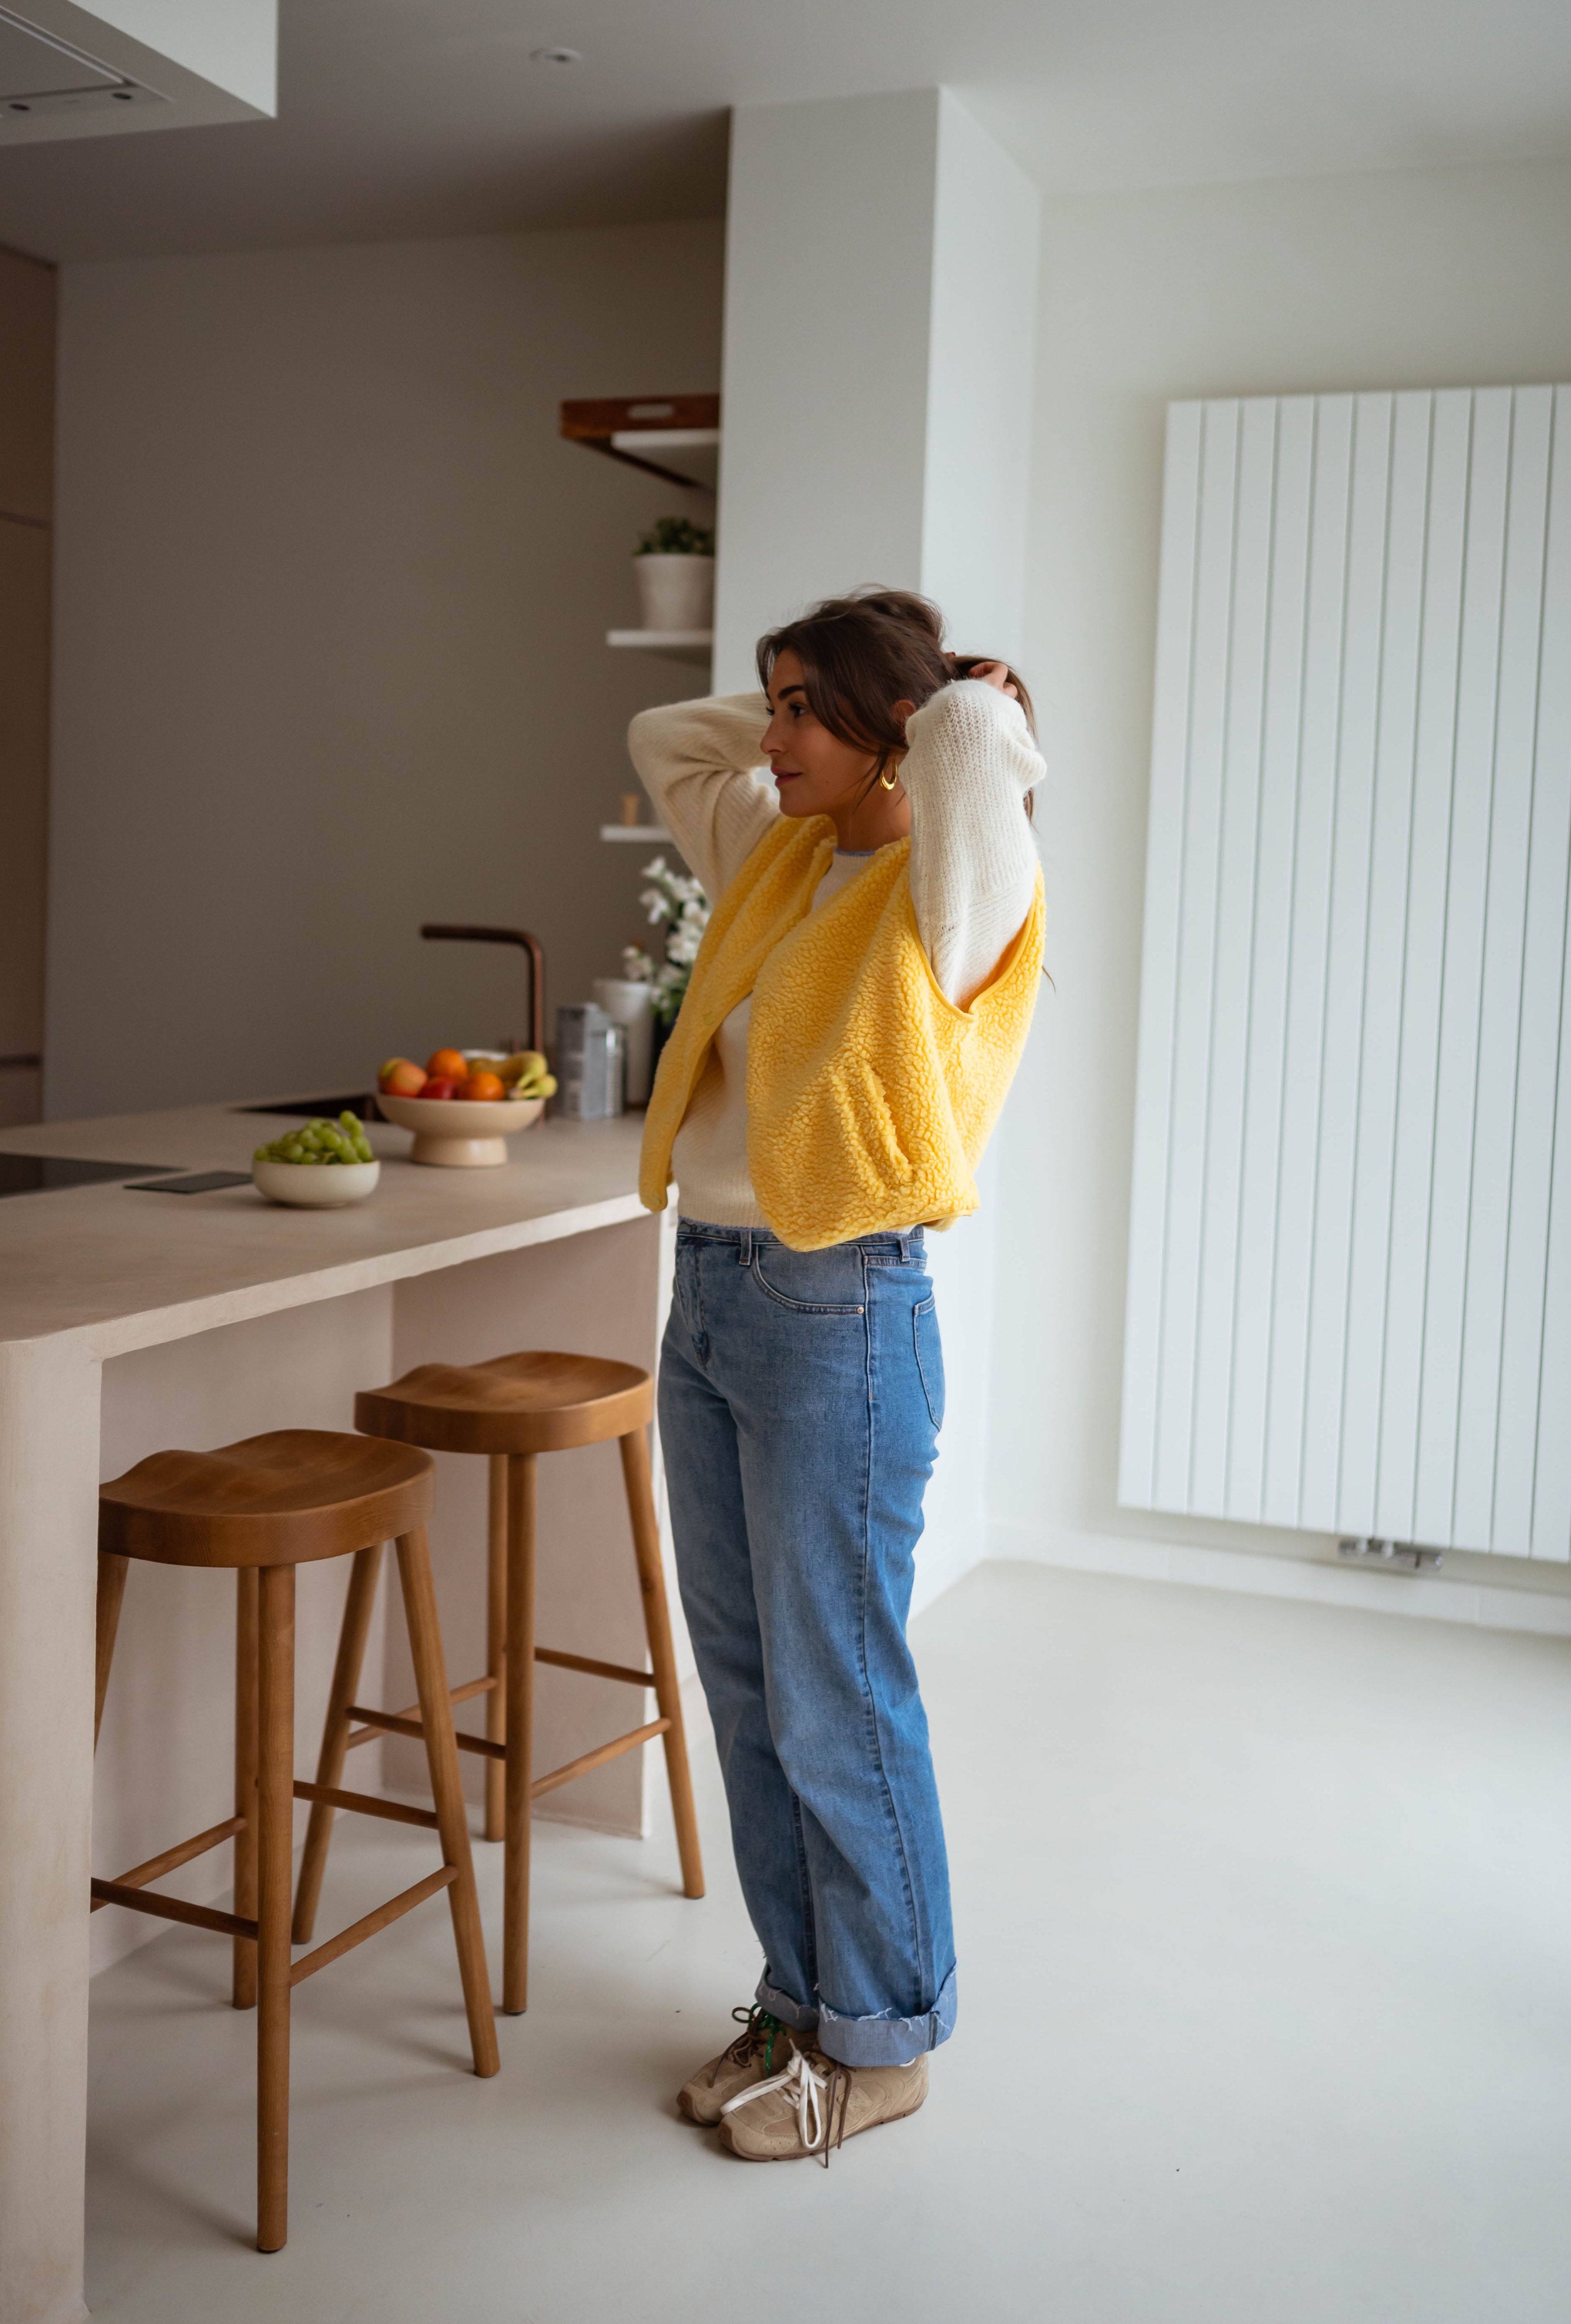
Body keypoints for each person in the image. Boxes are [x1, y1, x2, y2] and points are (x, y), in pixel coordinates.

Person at [628, 588, 1046, 2162]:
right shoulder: (780, 848)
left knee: (836, 1697)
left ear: (896, 730)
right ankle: (800, 2003)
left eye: (805, 705)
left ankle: (883, 2043)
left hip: (841, 1312)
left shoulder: (952, 885)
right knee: (748, 1690)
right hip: (716, 1298)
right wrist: (807, 725)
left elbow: (976, 766)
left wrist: (951, 711)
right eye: (776, 702)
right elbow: (662, 734)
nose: (771, 732)